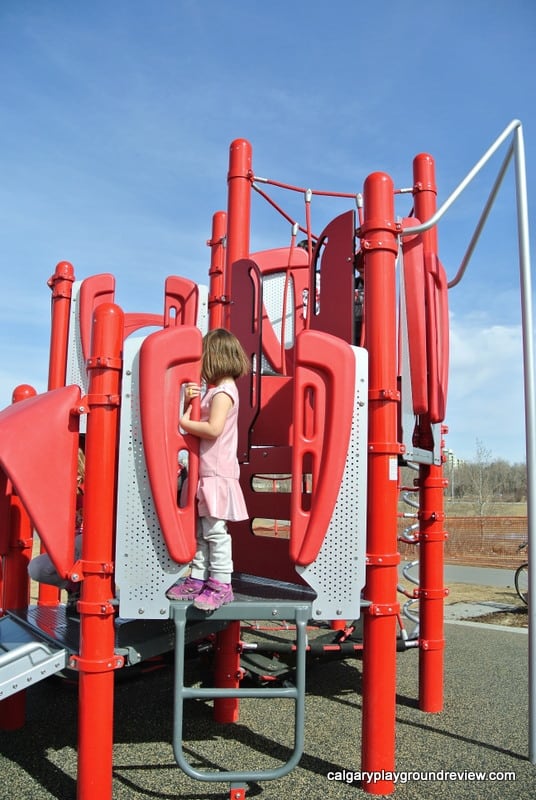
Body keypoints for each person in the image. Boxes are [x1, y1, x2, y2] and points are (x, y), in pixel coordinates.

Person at [167, 328, 250, 611]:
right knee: (202, 532)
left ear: (214, 359)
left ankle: (221, 583)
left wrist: (183, 420)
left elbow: (212, 429)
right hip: (207, 471)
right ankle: (199, 578)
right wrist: (190, 398)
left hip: (217, 472)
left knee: (215, 531)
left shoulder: (224, 393)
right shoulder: (213, 392)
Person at [28, 445, 85, 616]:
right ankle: (73, 588)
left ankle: (81, 589)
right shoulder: (58, 494)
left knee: (82, 541)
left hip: (88, 546)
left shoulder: (89, 489)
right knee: (36, 568)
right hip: (69, 548)